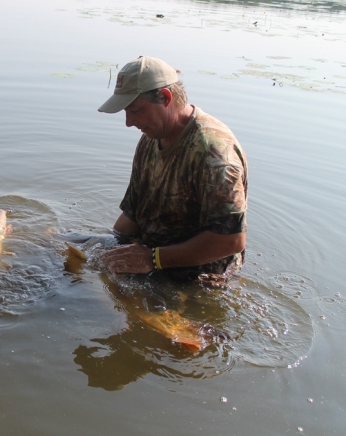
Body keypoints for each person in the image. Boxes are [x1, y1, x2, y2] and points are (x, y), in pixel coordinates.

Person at [97, 56, 247, 280]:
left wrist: (152, 259)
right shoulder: (151, 138)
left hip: (198, 275)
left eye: (135, 110)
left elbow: (230, 241)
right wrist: (106, 247)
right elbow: (133, 215)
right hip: (151, 257)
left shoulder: (213, 151)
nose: (128, 122)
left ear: (165, 98)